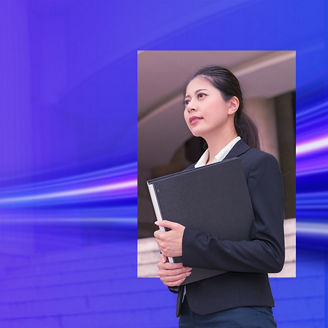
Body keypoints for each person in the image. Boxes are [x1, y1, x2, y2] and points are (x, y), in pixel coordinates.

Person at [153, 66, 285, 327]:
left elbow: (271, 254)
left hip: (240, 314)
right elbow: (191, 253)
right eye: (187, 101)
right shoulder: (185, 176)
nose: (190, 107)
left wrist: (189, 243)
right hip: (190, 315)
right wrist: (173, 273)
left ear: (231, 104)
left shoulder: (258, 164)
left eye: (201, 96)